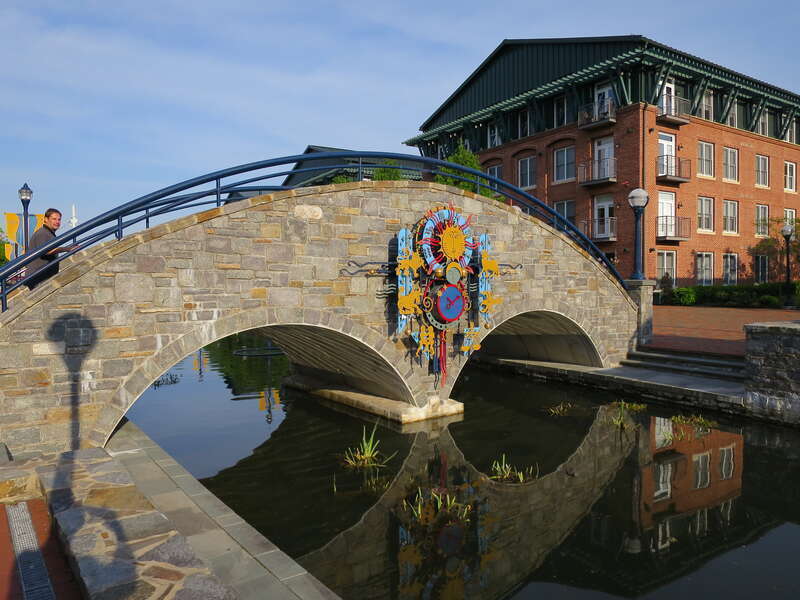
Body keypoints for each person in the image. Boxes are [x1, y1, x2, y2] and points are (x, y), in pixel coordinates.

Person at [25, 208, 79, 290]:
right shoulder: (43, 233)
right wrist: (66, 249)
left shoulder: (49, 233)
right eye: (54, 219)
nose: (57, 222)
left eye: (59, 219)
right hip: (39, 277)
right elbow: (45, 251)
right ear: (46, 219)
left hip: (41, 276)